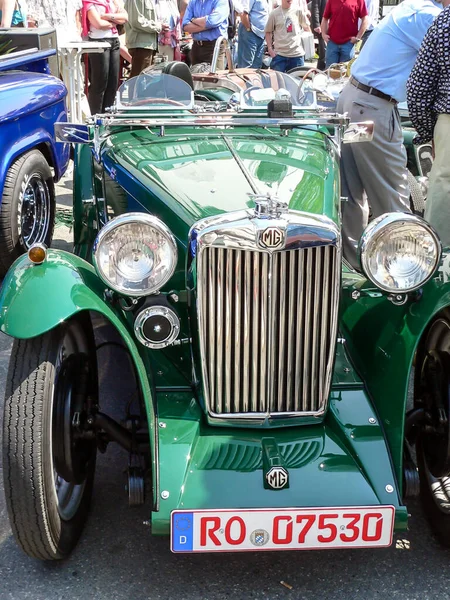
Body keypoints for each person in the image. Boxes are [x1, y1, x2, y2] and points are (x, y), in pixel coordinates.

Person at [337, 0, 448, 268]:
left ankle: (353, 268)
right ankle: (406, 273)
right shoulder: (429, 17)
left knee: (351, 195)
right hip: (374, 108)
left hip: (353, 99)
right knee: (393, 196)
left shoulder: (412, 7)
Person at [407, 6, 450, 247]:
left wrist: (426, 132)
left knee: (444, 187)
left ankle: (438, 272)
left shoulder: (445, 20)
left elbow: (418, 86)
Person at [82, 0, 128, 114]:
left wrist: (106, 16)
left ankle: (108, 114)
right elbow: (98, 24)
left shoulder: (111, 1)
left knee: (113, 82)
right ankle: (96, 116)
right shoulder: (89, 2)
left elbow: (125, 17)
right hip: (99, 42)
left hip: (114, 41)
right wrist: (115, 21)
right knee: (100, 83)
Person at [264, 0, 310, 73]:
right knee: (277, 83)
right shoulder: (274, 13)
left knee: (297, 83)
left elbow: (307, 28)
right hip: (279, 55)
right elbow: (268, 31)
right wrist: (270, 49)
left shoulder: (298, 11)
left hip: (296, 55)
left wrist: (309, 48)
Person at [182, 0, 229, 69]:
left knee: (215, 78)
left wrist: (193, 20)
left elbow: (212, 21)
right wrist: (206, 25)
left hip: (214, 47)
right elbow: (185, 26)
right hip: (196, 48)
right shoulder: (193, 2)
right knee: (196, 77)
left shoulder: (220, 1)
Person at [321, 0, 368, 68]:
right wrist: (323, 34)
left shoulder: (359, 1)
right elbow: (325, 18)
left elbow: (365, 19)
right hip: (332, 43)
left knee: (345, 72)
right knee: (330, 71)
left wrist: (358, 37)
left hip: (348, 43)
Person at [125, 0, 161, 77]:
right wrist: (158, 26)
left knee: (146, 81)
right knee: (139, 80)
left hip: (149, 44)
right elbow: (137, 22)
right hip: (141, 45)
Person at [236, 0, 269, 68]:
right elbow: (243, 13)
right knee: (246, 66)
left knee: (256, 67)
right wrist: (248, 29)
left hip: (261, 35)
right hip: (250, 33)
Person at [310, 0, 326, 71]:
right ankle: (320, 71)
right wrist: (316, 24)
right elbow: (315, 7)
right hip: (322, 26)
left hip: (334, 26)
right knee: (324, 52)